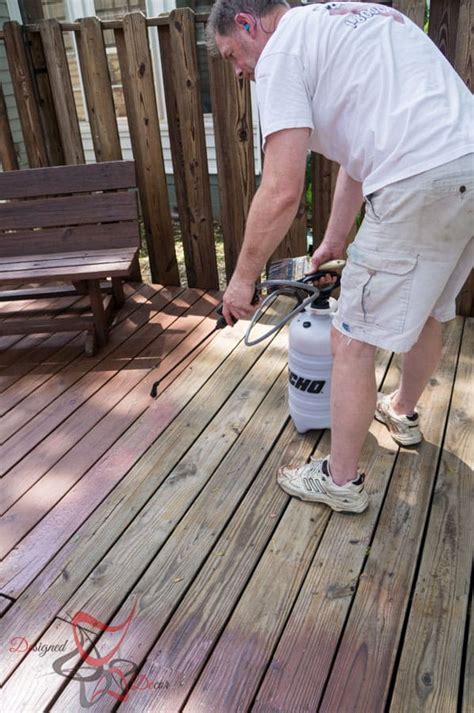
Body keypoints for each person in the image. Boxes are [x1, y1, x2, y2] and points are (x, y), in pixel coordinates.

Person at [206, 1, 474, 513]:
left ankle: (341, 481)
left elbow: (281, 190)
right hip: (466, 161)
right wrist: (333, 241)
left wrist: (241, 282)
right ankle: (401, 411)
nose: (239, 72)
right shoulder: (348, 21)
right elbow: (358, 159)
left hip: (416, 176)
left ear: (247, 23)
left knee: (350, 339)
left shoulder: (280, 53)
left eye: (230, 56)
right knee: (432, 311)